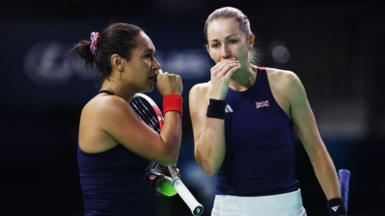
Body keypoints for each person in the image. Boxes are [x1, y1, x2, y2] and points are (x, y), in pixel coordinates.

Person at [189, 7, 346, 216]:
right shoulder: (200, 94)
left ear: (250, 40)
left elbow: (315, 148)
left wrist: (335, 205)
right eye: (216, 45)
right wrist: (217, 98)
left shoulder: (286, 83)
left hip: (287, 209)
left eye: (232, 41)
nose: (225, 52)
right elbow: (210, 164)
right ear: (208, 50)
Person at [72, 23, 183, 216]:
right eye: (147, 56)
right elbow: (167, 153)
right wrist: (173, 97)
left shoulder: (124, 108)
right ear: (118, 62)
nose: (157, 66)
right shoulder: (106, 107)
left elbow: (118, 179)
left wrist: (154, 182)